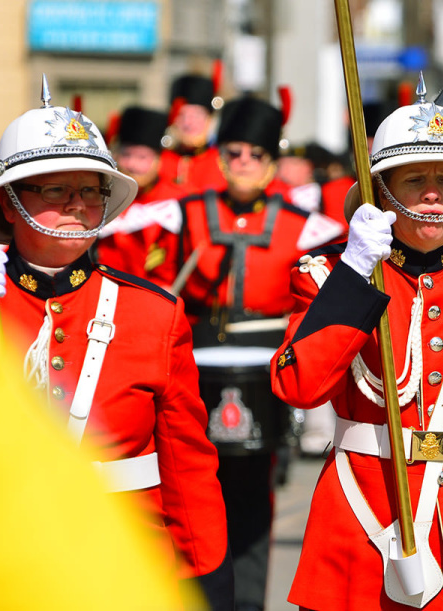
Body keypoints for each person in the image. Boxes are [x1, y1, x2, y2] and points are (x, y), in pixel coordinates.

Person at [270, 84, 443, 609]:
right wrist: (353, 275)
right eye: (414, 178)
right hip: (363, 515)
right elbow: (299, 385)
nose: (430, 194)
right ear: (383, 192)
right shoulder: (330, 275)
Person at [0, 78, 232, 609]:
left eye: (90, 190)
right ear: (10, 206)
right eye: (55, 190)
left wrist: (205, 580)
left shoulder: (153, 313)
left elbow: (185, 465)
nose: (78, 205)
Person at [153, 94, 343, 611]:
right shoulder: (183, 213)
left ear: (271, 163)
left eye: (255, 154)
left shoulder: (305, 224)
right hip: (194, 368)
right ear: (219, 157)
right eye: (233, 151)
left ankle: (247, 603)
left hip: (264, 369)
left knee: (253, 499)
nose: (243, 163)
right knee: (190, 493)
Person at [94, 105, 187, 281]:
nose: (133, 165)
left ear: (159, 160)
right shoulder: (102, 196)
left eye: (142, 157)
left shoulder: (179, 200)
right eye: (126, 155)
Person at [161, 72, 226, 194]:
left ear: (209, 119)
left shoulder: (223, 163)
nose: (188, 123)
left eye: (196, 115)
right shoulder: (158, 162)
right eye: (182, 115)